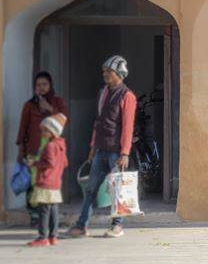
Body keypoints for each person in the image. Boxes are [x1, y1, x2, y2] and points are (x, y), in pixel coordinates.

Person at [66, 55, 136, 239]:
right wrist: (92, 147)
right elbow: (98, 122)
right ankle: (82, 226)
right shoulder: (103, 92)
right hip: (101, 151)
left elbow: (128, 127)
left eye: (108, 71)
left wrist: (125, 153)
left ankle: (117, 226)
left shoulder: (127, 96)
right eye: (104, 71)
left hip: (116, 153)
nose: (104, 74)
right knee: (90, 189)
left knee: (117, 190)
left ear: (119, 74)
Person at [16, 71, 67, 227]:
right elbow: (23, 128)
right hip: (32, 150)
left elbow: (63, 121)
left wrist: (49, 108)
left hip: (51, 152)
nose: (41, 88)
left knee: (50, 182)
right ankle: (35, 216)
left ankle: (49, 217)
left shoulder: (58, 102)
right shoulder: (29, 105)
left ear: (50, 85)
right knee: (33, 184)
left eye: (44, 84)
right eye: (38, 85)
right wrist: (20, 150)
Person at [26, 114, 68, 247]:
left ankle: (42, 237)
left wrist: (35, 163)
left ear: (53, 131)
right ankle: (53, 237)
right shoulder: (60, 145)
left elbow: (50, 163)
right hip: (55, 182)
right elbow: (64, 162)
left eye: (45, 130)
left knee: (43, 210)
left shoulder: (50, 145)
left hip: (46, 181)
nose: (42, 133)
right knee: (53, 209)